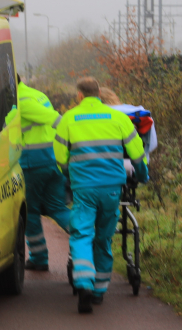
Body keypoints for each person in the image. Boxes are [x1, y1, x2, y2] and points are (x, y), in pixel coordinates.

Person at [54, 77, 148, 313]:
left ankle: (84, 282)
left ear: (79, 95)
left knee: (81, 234)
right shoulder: (118, 118)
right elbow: (137, 152)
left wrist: (69, 173)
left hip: (84, 189)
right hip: (111, 188)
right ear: (98, 93)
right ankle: (99, 291)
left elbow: (60, 157)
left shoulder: (68, 119)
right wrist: (143, 174)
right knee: (104, 239)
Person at [17, 75, 71, 271]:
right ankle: (86, 237)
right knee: (57, 207)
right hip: (52, 160)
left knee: (30, 211)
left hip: (33, 163)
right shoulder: (37, 94)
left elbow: (56, 119)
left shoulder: (19, 101)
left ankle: (39, 258)